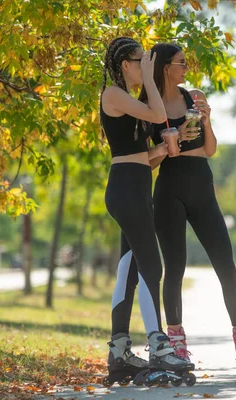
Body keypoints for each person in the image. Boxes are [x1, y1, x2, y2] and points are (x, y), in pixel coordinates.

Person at [144, 42, 236, 382]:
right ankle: (177, 347)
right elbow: (148, 162)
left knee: (226, 264)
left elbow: (209, 150)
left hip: (202, 186)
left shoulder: (193, 97)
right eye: (181, 62)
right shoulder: (149, 107)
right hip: (169, 190)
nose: (187, 67)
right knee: (176, 269)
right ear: (166, 66)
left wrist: (207, 121)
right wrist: (173, 141)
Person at [99, 37, 194, 386]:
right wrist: (154, 80)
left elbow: (144, 157)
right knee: (151, 266)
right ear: (126, 64)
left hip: (137, 185)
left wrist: (172, 143)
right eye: (143, 61)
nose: (147, 67)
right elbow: (157, 114)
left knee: (129, 270)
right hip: (125, 188)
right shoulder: (113, 94)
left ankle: (119, 351)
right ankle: (159, 346)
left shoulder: (131, 100)